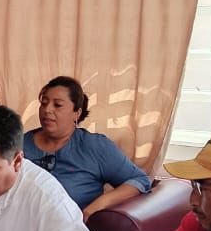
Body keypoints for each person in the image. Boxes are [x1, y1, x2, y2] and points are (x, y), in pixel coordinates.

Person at [23, 76, 151, 219]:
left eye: (57, 105)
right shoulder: (18, 145)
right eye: (44, 103)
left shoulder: (95, 146)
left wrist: (100, 204)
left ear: (76, 113)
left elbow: (139, 180)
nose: (47, 110)